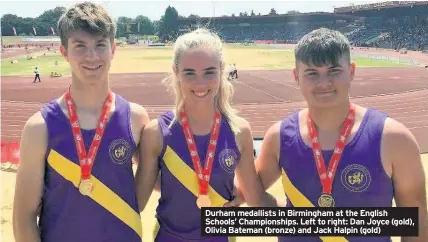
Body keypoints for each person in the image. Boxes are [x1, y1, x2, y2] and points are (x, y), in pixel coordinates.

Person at [254, 28, 428, 241]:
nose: (324, 83)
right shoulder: (279, 137)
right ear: (296, 76)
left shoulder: (394, 139)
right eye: (312, 73)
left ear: (352, 71)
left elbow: (416, 222)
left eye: (334, 70)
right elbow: (253, 194)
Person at [12, 2, 149, 242]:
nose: (92, 56)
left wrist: (229, 196)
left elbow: (160, 181)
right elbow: (24, 217)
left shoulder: (136, 119)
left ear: (113, 49)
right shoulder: (39, 128)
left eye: (100, 45)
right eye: (80, 46)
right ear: (64, 52)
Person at [135, 28, 271, 241]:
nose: (200, 84)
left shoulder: (239, 131)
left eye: (209, 72)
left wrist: (321, 221)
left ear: (222, 70)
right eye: (189, 73)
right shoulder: (157, 133)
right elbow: (136, 202)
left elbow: (255, 196)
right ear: (176, 72)